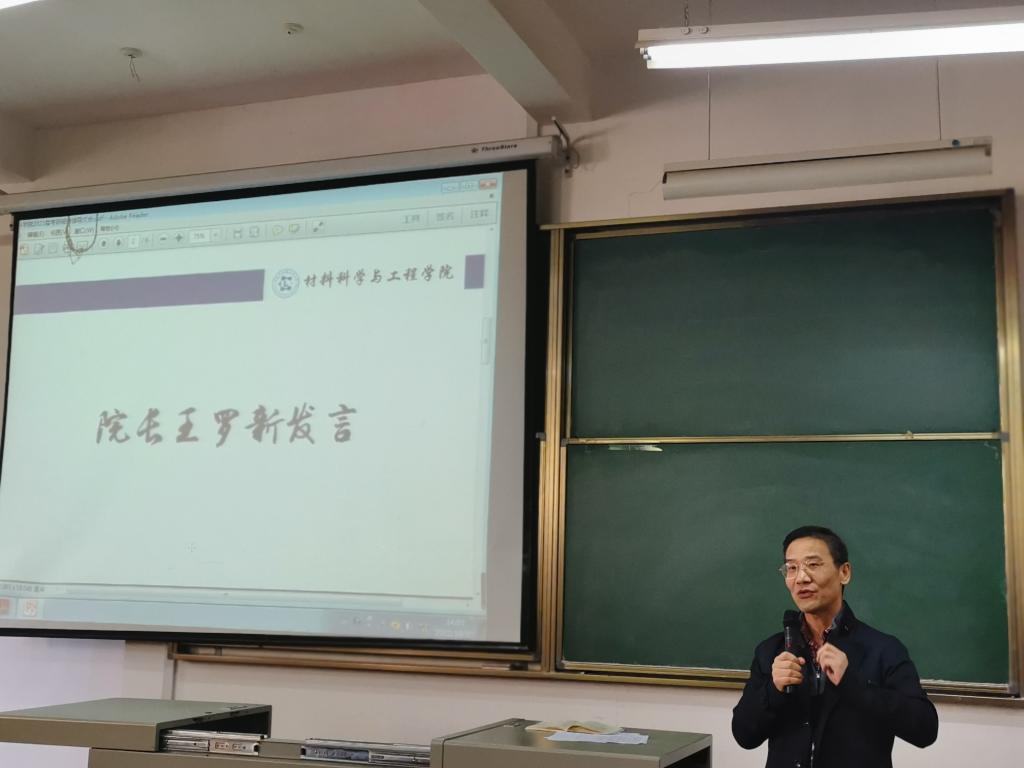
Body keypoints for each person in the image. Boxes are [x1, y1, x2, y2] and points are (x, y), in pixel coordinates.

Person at [731, 525, 938, 768]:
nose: (801, 578)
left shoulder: (883, 649)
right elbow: (744, 735)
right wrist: (773, 690)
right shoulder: (772, 651)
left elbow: (925, 729)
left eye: (813, 564)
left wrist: (854, 685)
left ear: (844, 572)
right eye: (791, 568)